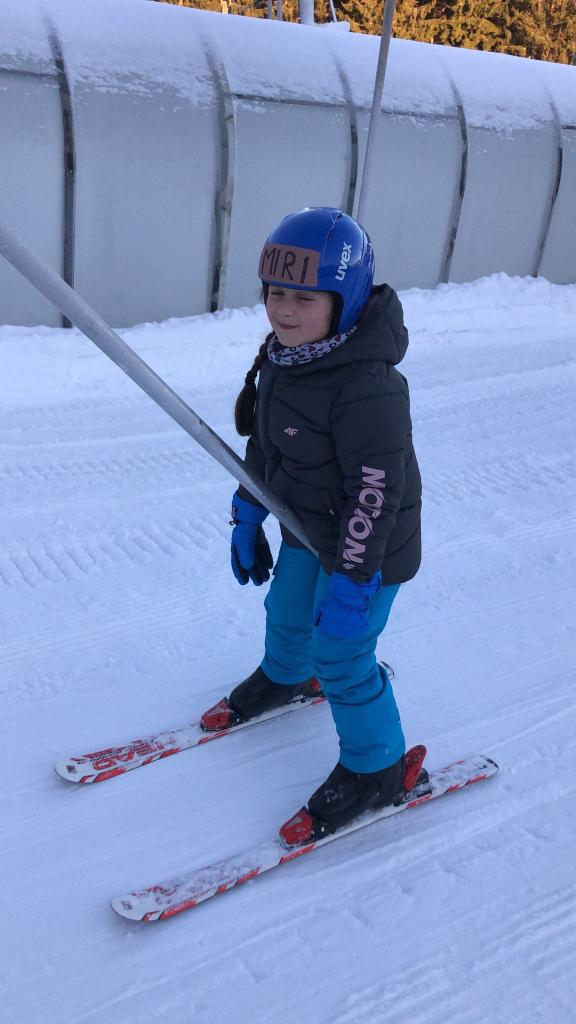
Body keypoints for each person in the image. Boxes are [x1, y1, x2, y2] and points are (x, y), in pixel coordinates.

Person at [201, 207, 422, 845]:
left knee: (344, 654)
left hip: (369, 548)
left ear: (344, 300)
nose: (284, 310)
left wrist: (354, 583)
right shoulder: (285, 358)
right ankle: (287, 674)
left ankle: (378, 768)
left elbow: (374, 496)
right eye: (275, 293)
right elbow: (265, 447)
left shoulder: (368, 385)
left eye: (304, 297)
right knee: (288, 610)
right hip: (309, 524)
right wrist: (249, 512)